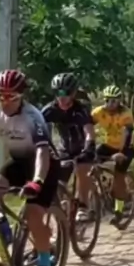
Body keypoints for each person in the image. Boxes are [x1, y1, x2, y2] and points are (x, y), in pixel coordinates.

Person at [0, 69, 61, 266]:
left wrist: (37, 181)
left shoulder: (32, 116)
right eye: (1, 95)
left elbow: (42, 153)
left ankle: (45, 264)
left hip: (44, 166)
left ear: (21, 96)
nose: (5, 102)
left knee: (33, 214)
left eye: (11, 96)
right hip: (19, 162)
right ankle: (3, 231)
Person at [42, 73, 96, 220]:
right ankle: (61, 214)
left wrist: (89, 147)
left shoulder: (81, 109)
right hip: (64, 149)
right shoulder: (49, 110)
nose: (62, 97)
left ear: (73, 93)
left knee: (82, 168)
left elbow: (89, 131)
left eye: (66, 93)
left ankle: (83, 206)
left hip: (83, 147)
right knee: (58, 181)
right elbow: (38, 131)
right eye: (58, 93)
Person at [92, 86, 134, 226]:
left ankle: (119, 210)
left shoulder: (125, 113)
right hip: (109, 145)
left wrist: (122, 152)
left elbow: (128, 133)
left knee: (119, 176)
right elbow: (86, 126)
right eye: (107, 101)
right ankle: (100, 185)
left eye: (114, 101)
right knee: (90, 159)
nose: (110, 104)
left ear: (119, 101)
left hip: (125, 147)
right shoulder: (99, 112)